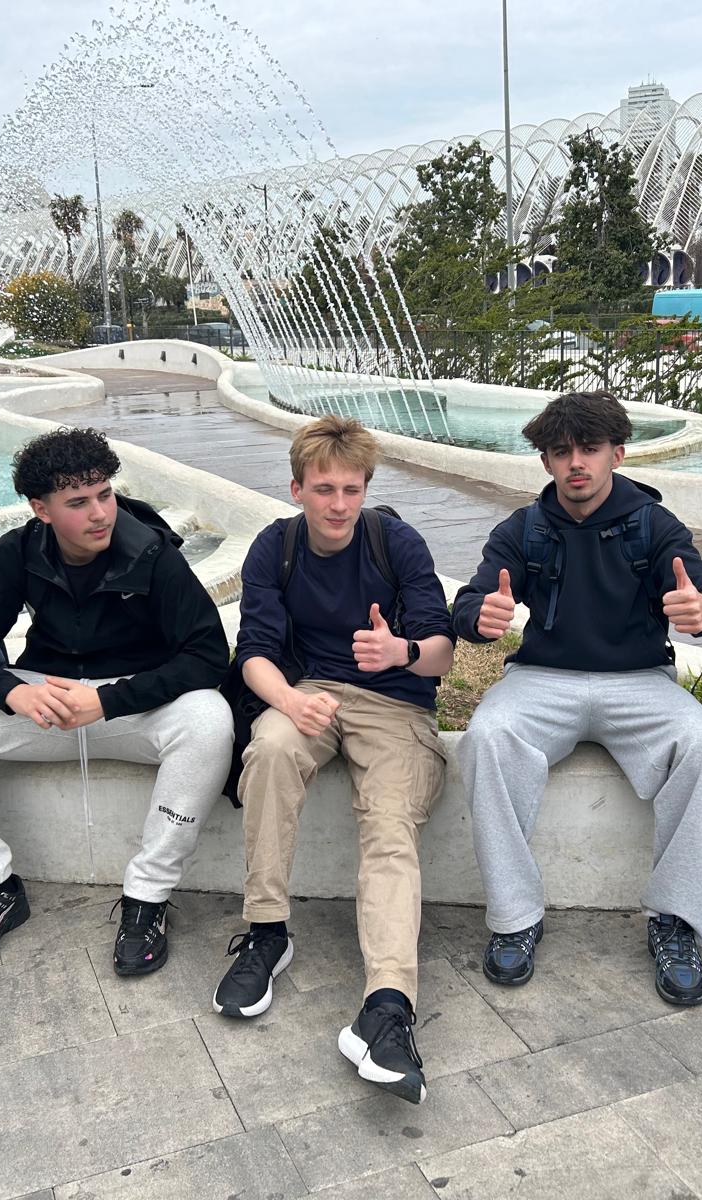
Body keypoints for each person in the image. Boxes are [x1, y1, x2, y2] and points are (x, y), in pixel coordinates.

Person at [0, 428, 232, 973]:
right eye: (78, 502)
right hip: (47, 705)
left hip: (131, 707)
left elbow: (207, 654)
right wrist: (14, 692)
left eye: (105, 494)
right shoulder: (15, 553)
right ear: (41, 509)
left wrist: (110, 701)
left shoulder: (153, 553)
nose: (100, 514)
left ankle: (147, 898)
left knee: (209, 718)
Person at [452, 390, 702, 1007]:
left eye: (590, 449)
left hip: (639, 680)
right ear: (546, 462)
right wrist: (481, 615)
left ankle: (675, 921)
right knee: (487, 736)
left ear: (617, 453)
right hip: (542, 679)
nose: (576, 463)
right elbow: (471, 600)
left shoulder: (653, 525)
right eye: (562, 452)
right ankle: (515, 916)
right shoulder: (523, 529)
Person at [215, 416, 454, 1106]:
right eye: (324, 489)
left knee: (389, 822)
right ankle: (266, 933)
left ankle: (388, 1006)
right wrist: (290, 701)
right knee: (269, 751)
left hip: (395, 705)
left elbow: (442, 651)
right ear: (297, 489)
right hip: (309, 694)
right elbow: (254, 653)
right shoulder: (276, 547)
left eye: (352, 489)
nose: (339, 504)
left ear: (366, 490)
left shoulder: (396, 542)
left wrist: (402, 651)